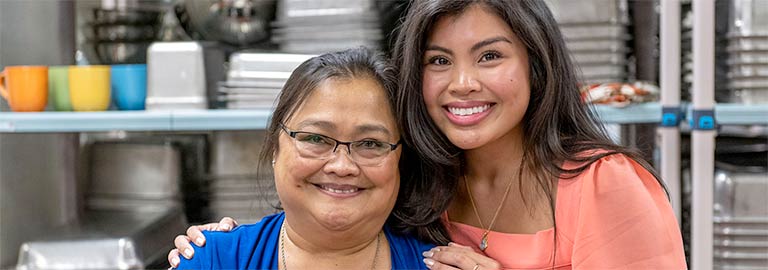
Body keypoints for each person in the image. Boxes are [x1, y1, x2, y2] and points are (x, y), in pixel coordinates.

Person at [171, 1, 687, 269]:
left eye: (490, 55)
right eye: (439, 61)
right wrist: (223, 246)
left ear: (536, 64)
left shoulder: (604, 186)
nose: (462, 84)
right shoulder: (424, 183)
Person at [172, 47, 435, 269]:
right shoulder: (212, 260)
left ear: (400, 159)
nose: (342, 166)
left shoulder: (440, 264)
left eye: (370, 143)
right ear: (276, 148)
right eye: (316, 139)